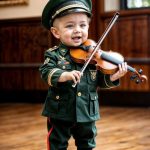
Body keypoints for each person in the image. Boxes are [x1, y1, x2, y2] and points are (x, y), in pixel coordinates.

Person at [39, 0, 128, 150]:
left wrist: (112, 77)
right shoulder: (53, 54)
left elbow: (99, 81)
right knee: (57, 144)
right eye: (69, 26)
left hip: (87, 111)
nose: (78, 30)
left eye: (82, 25)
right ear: (56, 32)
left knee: (87, 143)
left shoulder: (93, 54)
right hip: (60, 111)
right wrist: (65, 75)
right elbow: (45, 72)